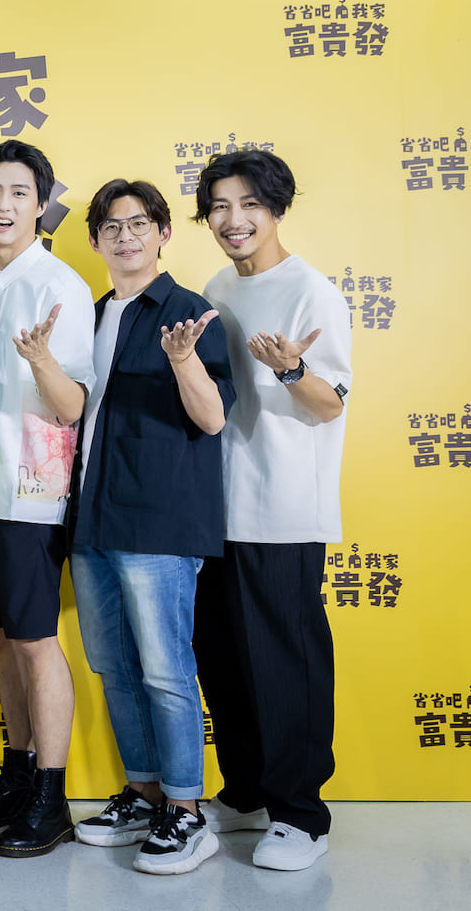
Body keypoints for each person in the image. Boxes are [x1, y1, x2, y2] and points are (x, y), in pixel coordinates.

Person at [66, 179, 235, 874]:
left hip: (159, 522)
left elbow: (212, 418)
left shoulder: (189, 312)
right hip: (91, 516)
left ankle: (187, 809)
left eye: (139, 223)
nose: (125, 236)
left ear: (163, 233)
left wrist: (183, 360)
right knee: (114, 666)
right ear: (96, 239)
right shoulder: (90, 314)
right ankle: (143, 792)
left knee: (166, 670)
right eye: (112, 226)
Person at [190, 150, 351, 872]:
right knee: (224, 660)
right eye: (220, 206)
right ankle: (248, 791)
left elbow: (330, 403)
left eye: (249, 204)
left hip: (283, 507)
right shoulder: (216, 288)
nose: (234, 219)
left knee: (287, 662)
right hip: (216, 507)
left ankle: (301, 814)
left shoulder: (311, 291)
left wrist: (291, 368)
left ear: (277, 209)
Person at [0, 140, 95, 858]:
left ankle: (52, 793)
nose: (4, 204)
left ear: (41, 204)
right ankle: (16, 770)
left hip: (31, 493)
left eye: (19, 192)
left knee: (36, 640)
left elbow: (72, 407)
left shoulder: (60, 284)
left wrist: (41, 359)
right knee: (0, 636)